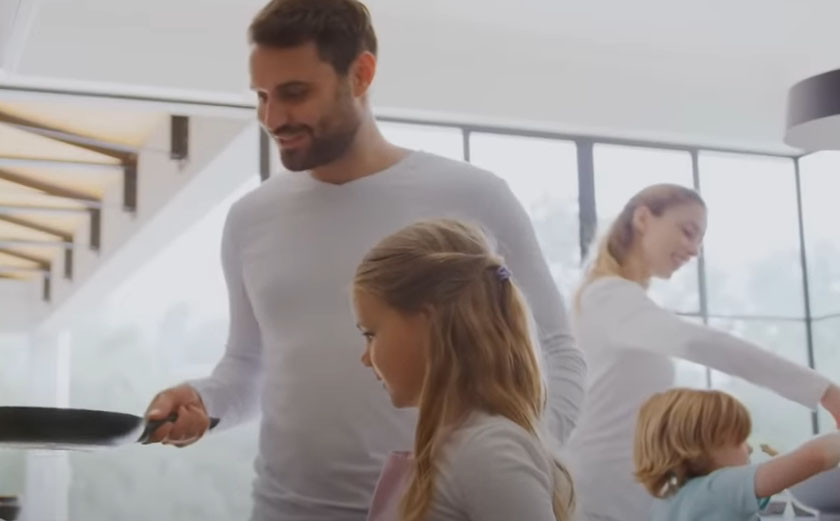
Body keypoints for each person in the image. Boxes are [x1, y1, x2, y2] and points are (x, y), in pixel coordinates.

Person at [142, 1, 586, 520]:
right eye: (262, 97)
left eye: (294, 93)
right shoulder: (250, 218)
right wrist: (201, 400)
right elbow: (247, 369)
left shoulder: (474, 195)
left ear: (361, 74)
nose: (272, 118)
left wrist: (520, 457)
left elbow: (559, 349)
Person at [561, 183, 840, 521]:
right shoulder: (608, 297)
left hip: (627, 487)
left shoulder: (619, 300)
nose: (693, 250)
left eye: (699, 240)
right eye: (687, 231)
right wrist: (824, 391)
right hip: (603, 490)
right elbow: (698, 343)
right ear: (643, 218)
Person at [352, 218, 575, 521]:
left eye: (371, 334)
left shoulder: (489, 452)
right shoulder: (458, 444)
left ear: (426, 323)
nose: (365, 357)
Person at [634, 388, 840, 521]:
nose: (749, 448)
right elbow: (815, 457)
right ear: (701, 447)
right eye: (740, 440)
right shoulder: (719, 486)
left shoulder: (668, 498)